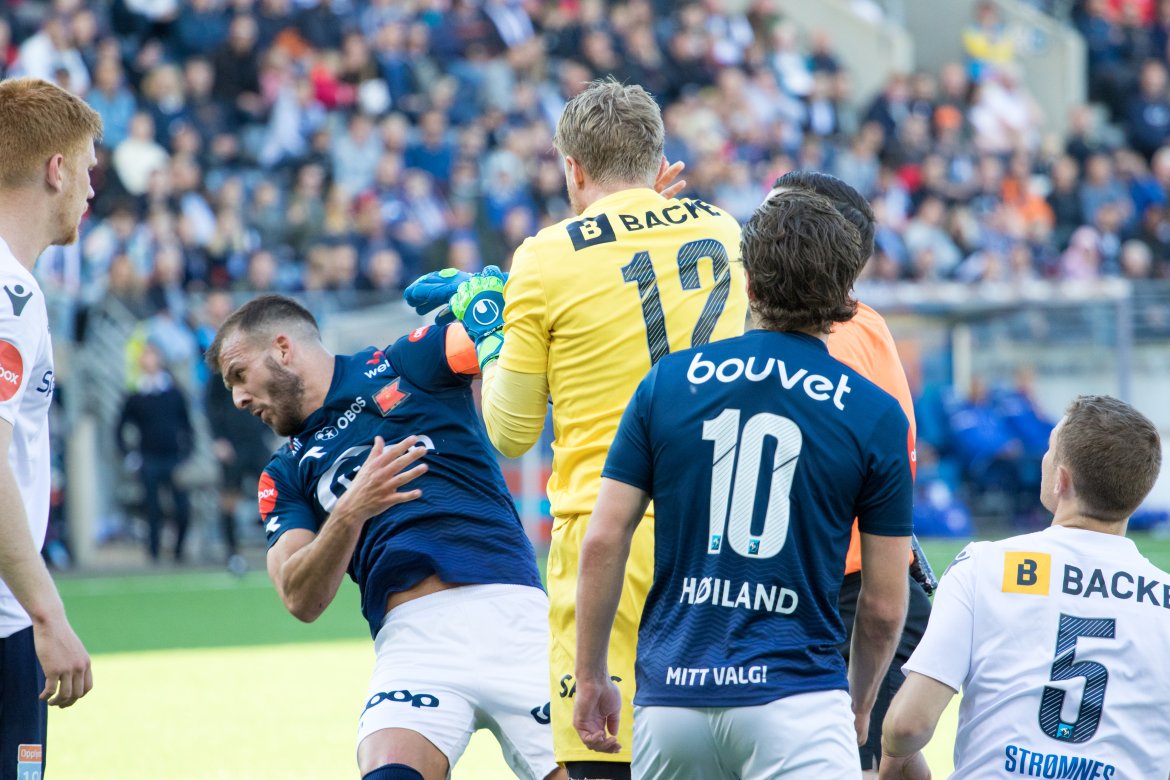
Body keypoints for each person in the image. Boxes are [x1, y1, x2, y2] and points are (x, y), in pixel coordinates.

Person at [426, 78, 750, 779]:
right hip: (727, 533)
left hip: (611, 538)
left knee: (607, 758)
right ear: (657, 157)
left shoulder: (544, 256)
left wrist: (488, 326)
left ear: (573, 168)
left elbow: (511, 431)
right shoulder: (721, 228)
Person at [572, 190, 913, 779]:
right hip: (797, 699)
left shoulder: (668, 383)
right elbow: (883, 607)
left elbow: (603, 540)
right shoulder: (874, 414)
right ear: (844, 301)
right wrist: (859, 704)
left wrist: (592, 676)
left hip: (673, 695)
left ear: (748, 283)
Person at [204, 295, 563, 780]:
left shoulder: (405, 363)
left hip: (513, 616)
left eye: (238, 374)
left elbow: (509, 339)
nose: (238, 399)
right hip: (413, 643)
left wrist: (489, 306)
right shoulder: (283, 474)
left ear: (283, 349)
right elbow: (298, 597)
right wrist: (353, 508)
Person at [879, 395, 1170, 780]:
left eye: (1049, 451)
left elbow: (907, 726)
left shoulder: (984, 566)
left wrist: (895, 759)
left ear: (1061, 479)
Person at [769, 170, 933, 778]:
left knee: (853, 757)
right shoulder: (866, 323)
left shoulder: (819, 343)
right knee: (893, 755)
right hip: (871, 582)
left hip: (844, 592)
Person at [0, 76, 100, 778]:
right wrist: (44, 613)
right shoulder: (10, 294)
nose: (91, 193)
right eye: (89, 170)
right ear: (55, 168)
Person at [116, 342, 194, 563]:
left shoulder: (173, 392)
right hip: (148, 459)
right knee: (152, 509)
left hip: (173, 458)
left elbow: (187, 424)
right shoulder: (136, 395)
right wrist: (129, 455)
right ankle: (154, 554)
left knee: (181, 507)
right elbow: (120, 427)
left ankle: (179, 551)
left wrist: (187, 452)